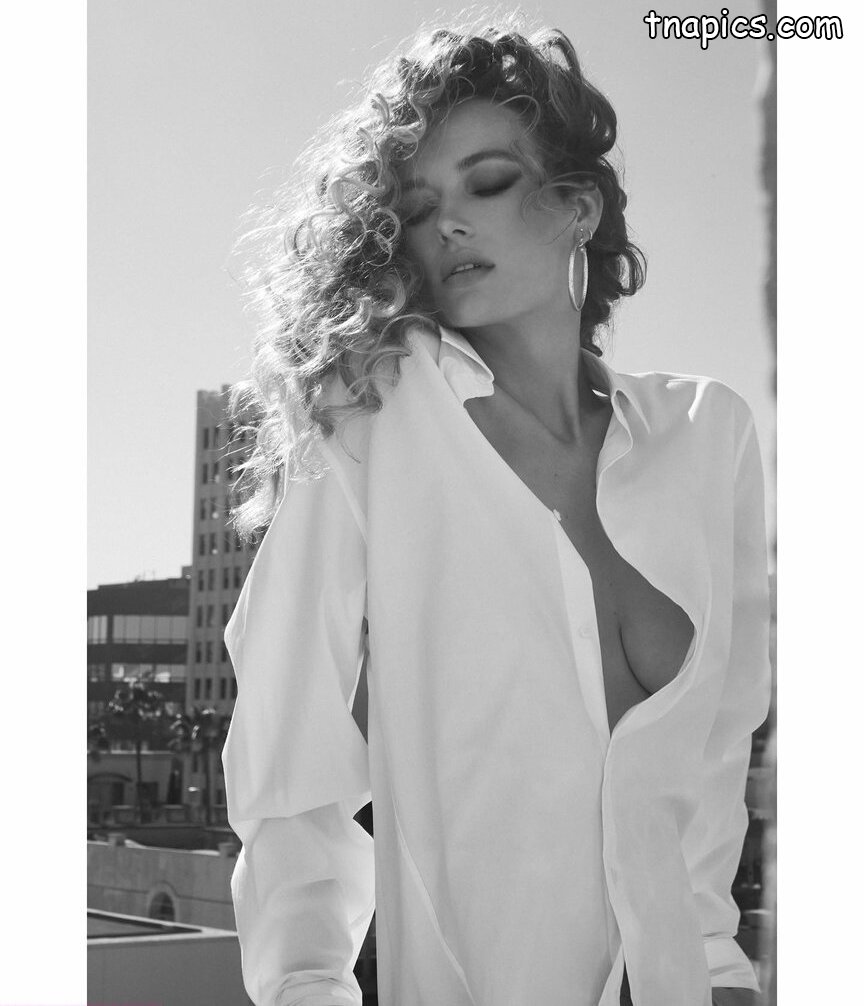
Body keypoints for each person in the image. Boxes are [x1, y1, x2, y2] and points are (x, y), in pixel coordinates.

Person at [222, 14, 771, 1006]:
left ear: (577, 205)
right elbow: (289, 756)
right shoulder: (372, 418)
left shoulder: (708, 433)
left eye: (488, 182)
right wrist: (306, 985)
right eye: (418, 206)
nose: (448, 226)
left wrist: (724, 972)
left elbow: (717, 756)